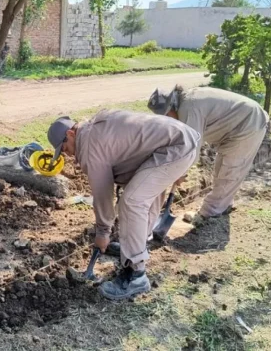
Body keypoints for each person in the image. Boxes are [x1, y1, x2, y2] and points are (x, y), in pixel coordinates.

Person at [47, 110, 199, 300]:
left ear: (70, 134)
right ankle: (134, 248)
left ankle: (136, 276)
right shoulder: (93, 129)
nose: (67, 155)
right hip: (179, 141)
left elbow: (103, 192)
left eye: (64, 148)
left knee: (132, 201)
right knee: (141, 195)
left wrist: (103, 232)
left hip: (175, 146)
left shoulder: (88, 145)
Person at [148, 85, 269, 219]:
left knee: (230, 171)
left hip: (248, 124)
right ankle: (224, 204)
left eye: (167, 115)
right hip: (235, 127)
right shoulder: (186, 102)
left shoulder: (188, 109)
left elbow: (191, 150)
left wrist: (179, 173)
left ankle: (209, 214)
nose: (168, 120)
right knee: (220, 169)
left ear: (171, 106)